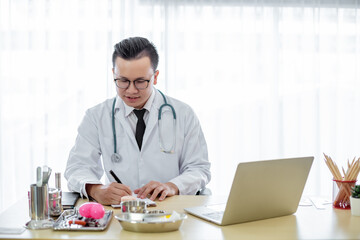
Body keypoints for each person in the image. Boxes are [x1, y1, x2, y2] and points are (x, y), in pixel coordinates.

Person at [65, 37, 211, 205]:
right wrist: (96, 190)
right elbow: (77, 167)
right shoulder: (96, 117)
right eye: (123, 81)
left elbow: (199, 169)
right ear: (113, 74)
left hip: (169, 211)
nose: (131, 90)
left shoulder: (183, 114)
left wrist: (173, 186)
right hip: (120, 212)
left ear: (155, 77)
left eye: (140, 81)